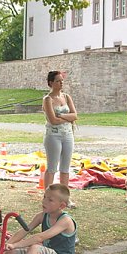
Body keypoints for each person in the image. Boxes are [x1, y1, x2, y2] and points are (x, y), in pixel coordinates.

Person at [42, 71, 78, 207]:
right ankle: (48, 196)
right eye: (58, 81)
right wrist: (66, 117)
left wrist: (62, 116)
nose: (61, 83)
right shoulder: (48, 99)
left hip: (68, 135)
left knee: (65, 167)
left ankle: (65, 198)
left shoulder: (67, 97)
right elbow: (52, 120)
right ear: (51, 83)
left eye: (62, 80)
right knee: (52, 167)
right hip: (53, 136)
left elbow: (75, 115)